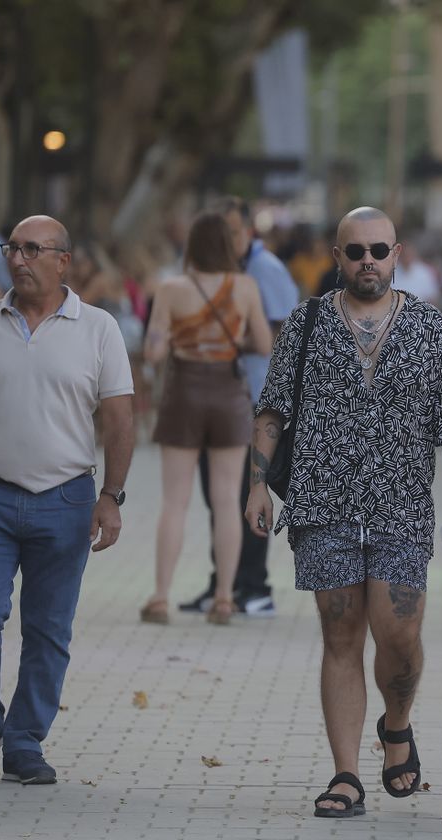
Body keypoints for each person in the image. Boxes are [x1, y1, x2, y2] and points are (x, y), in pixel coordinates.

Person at [246, 206, 442, 818]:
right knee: (340, 636)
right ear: (337, 255)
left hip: (402, 508)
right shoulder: (307, 322)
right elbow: (271, 410)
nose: (368, 261)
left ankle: (396, 724)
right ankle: (345, 774)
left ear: (398, 254)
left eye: (379, 250)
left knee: (398, 637)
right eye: (356, 252)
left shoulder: (430, 328)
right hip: (323, 505)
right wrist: (255, 487)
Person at [0, 215, 135, 785]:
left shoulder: (98, 328)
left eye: (31, 250)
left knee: (48, 629)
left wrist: (112, 496)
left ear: (62, 261)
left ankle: (24, 741)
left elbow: (120, 417)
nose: (17, 259)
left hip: (66, 499)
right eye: (11, 249)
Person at [139, 212, 271, 624]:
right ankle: (225, 598)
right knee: (227, 499)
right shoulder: (245, 287)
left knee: (175, 502)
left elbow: (153, 352)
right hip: (230, 395)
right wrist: (231, 337)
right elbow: (264, 344)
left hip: (184, 394)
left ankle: (160, 597)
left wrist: (181, 336)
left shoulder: (172, 289)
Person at [179, 197, 299, 618]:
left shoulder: (266, 272)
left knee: (248, 496)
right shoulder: (223, 275)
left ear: (249, 232)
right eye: (220, 233)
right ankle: (223, 584)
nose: (226, 240)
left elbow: (288, 335)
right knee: (220, 499)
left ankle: (254, 586)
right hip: (220, 400)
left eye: (232, 231)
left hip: (256, 405)